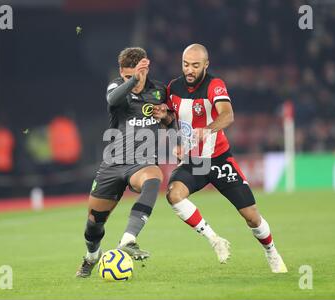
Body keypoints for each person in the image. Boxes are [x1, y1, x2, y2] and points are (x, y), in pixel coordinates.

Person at [153, 44, 287, 272]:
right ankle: (215, 240)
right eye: (186, 64)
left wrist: (208, 129)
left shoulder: (215, 85)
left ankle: (271, 251)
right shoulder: (173, 88)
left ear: (206, 64)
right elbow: (171, 122)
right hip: (194, 162)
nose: (190, 70)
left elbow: (228, 115)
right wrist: (164, 118)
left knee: (252, 217)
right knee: (174, 195)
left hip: (219, 160)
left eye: (195, 65)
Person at [76, 47, 167, 278]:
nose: (133, 81)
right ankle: (91, 257)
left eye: (137, 75)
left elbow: (172, 119)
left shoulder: (159, 91)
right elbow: (112, 99)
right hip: (113, 164)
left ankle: (128, 239)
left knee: (155, 177)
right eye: (127, 76)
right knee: (94, 224)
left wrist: (167, 118)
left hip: (141, 163)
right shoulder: (116, 87)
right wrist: (133, 79)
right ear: (121, 73)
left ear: (147, 68)